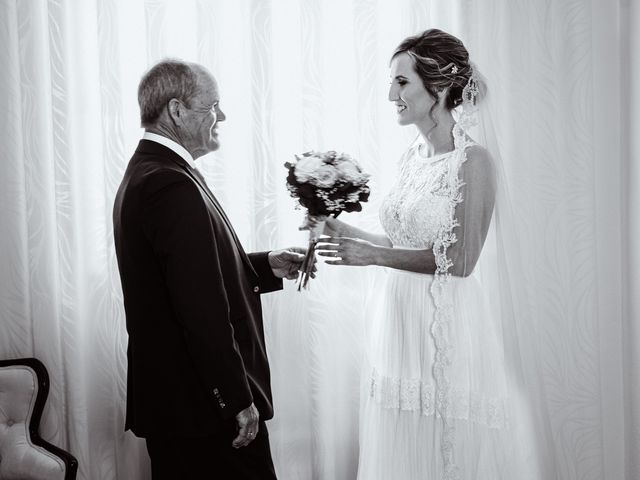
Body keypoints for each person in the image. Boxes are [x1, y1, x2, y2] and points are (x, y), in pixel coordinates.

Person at [317, 29, 536, 479]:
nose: (391, 94)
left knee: (441, 447)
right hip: (397, 323)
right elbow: (403, 242)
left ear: (438, 87)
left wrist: (373, 257)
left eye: (402, 82)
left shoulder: (474, 161)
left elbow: (460, 259)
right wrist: (347, 233)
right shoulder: (412, 156)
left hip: (443, 324)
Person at [113, 59, 307, 479]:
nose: (222, 117)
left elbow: (188, 276)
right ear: (177, 111)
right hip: (201, 410)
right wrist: (235, 399)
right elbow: (200, 308)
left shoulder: (154, 171)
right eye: (213, 105)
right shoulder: (169, 183)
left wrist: (266, 266)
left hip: (183, 406)